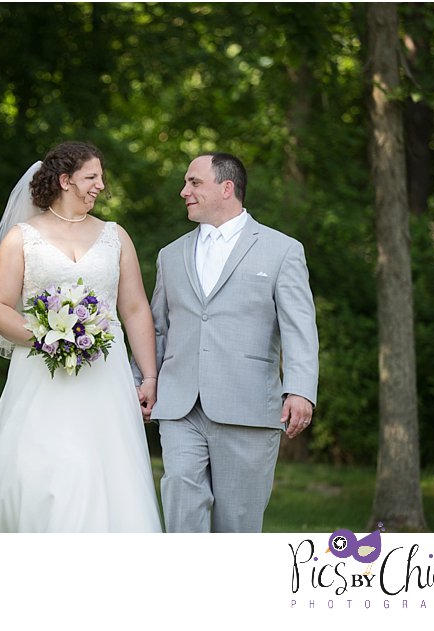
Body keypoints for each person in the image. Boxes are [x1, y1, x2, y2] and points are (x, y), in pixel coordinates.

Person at [0, 141, 162, 532]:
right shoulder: (22, 238)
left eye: (101, 177)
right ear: (65, 180)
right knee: (40, 471)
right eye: (91, 177)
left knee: (106, 470)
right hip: (40, 373)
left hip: (104, 376)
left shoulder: (115, 236)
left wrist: (148, 375)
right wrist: (46, 336)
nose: (100, 185)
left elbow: (134, 309)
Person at [135, 152, 318, 533]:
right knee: (181, 503)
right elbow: (157, 327)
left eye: (194, 183)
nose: (184, 191)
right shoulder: (171, 255)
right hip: (180, 405)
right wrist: (145, 380)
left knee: (237, 524)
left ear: (226, 188)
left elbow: (299, 326)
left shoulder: (282, 250)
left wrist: (300, 390)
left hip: (247, 405)